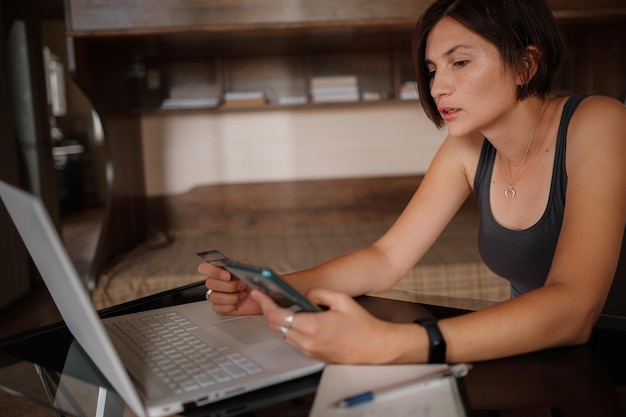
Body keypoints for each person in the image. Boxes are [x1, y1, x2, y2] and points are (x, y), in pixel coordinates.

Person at [198, 0, 626, 365]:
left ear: (524, 65)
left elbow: (575, 306)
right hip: (533, 356)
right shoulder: (466, 150)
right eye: (432, 69)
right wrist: (273, 291)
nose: (438, 87)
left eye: (460, 62)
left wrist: (393, 344)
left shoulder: (600, 124)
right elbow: (386, 257)